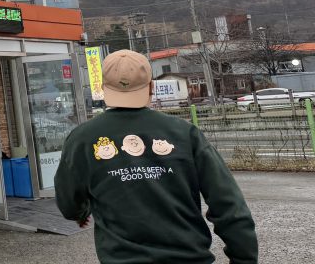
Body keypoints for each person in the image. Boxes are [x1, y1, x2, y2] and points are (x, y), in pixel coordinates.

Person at [55, 49, 257, 264]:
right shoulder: (184, 133)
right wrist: (244, 259)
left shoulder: (82, 139)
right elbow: (228, 205)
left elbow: (68, 201)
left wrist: (80, 211)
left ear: (104, 89)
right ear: (151, 86)